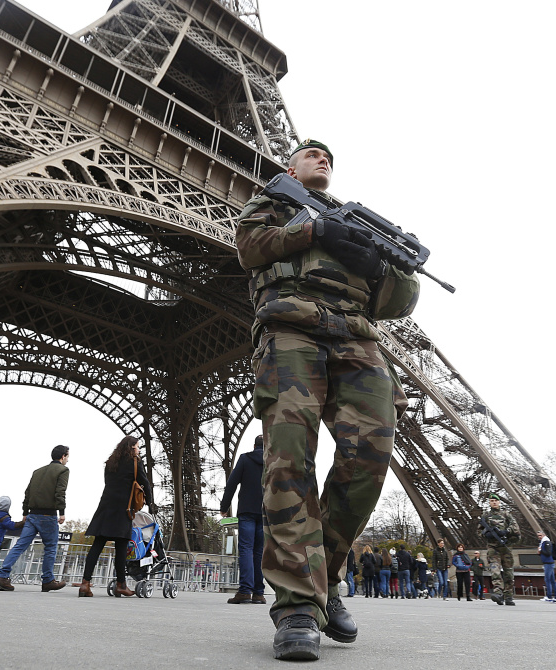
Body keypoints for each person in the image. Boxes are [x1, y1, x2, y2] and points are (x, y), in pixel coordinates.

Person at [236, 139, 420, 660]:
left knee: (370, 460)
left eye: (330, 158)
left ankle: (326, 576)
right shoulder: (275, 202)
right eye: (313, 154)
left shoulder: (362, 225)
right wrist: (314, 230)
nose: (324, 160)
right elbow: (249, 248)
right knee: (289, 457)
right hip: (291, 330)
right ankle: (297, 604)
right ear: (291, 167)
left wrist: (381, 267)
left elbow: (400, 302)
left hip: (358, 340)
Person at [77, 436, 154, 599]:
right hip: (123, 509)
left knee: (97, 546)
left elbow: (108, 483)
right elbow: (145, 482)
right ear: (132, 447)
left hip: (106, 507)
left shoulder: (110, 463)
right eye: (137, 446)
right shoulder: (134, 462)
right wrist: (151, 503)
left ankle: (85, 583)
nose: (138, 449)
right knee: (121, 548)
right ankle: (121, 585)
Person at [0, 445, 70, 592]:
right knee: (51, 548)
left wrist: (25, 511)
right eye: (68, 456)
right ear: (63, 457)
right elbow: (60, 492)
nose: (68, 460)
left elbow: (27, 493)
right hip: (48, 515)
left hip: (32, 514)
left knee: (19, 546)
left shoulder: (37, 471)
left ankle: (2, 577)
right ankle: (48, 580)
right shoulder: (63, 470)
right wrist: (62, 512)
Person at [219, 435, 266, 605]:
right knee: (259, 551)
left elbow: (232, 484)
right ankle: (259, 593)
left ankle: (245, 591)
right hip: (265, 512)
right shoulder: (272, 462)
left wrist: (224, 506)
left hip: (247, 510)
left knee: (246, 549)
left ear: (254, 446)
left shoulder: (245, 459)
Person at [482, 493, 520, 606]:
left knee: (508, 573)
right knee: (495, 570)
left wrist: (506, 532)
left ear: (499, 502)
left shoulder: (506, 515)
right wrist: (486, 534)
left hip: (506, 548)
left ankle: (508, 596)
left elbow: (516, 528)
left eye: (496, 500)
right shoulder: (485, 516)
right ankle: (498, 593)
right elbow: (479, 531)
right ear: (489, 502)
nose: (494, 502)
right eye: (492, 500)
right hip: (493, 548)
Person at [538, 531, 556, 603]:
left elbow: (548, 552)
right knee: (552, 580)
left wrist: (541, 550)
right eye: (538, 535)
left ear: (544, 535)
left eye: (540, 535)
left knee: (547, 580)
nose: (539, 537)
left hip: (548, 563)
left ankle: (549, 596)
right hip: (548, 562)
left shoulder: (546, 542)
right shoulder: (544, 542)